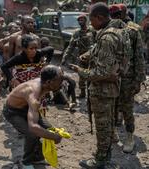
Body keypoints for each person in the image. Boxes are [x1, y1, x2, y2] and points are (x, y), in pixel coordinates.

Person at [70, 3, 122, 168]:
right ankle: (104, 156)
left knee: (103, 127)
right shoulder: (114, 32)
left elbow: (102, 73)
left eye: (91, 19)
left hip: (103, 90)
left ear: (99, 18)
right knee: (107, 125)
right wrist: (88, 56)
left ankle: (100, 161)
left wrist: (81, 71)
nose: (90, 23)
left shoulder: (107, 37)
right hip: (110, 89)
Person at [3, 65, 64, 168]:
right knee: (32, 134)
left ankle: (37, 158)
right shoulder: (33, 93)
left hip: (26, 107)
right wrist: (54, 137)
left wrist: (50, 133)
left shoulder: (44, 83)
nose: (62, 81)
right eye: (60, 79)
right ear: (49, 82)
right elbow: (33, 127)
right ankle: (25, 161)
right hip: (12, 111)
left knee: (49, 128)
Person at [112, 3, 146, 153]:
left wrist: (139, 80)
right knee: (111, 105)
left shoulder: (134, 30)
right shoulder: (108, 28)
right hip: (110, 76)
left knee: (127, 108)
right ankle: (112, 132)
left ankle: (129, 137)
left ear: (124, 12)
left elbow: (139, 56)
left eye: (118, 13)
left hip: (127, 77)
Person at [62, 14, 96, 98]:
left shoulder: (92, 30)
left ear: (86, 20)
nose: (80, 22)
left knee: (93, 75)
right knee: (81, 75)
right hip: (82, 57)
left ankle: (92, 92)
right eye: (79, 20)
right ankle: (83, 92)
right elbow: (70, 46)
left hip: (92, 57)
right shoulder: (76, 33)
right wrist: (65, 57)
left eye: (82, 20)